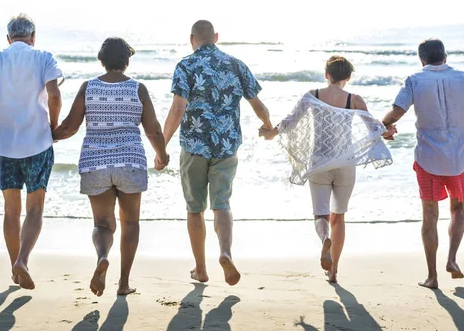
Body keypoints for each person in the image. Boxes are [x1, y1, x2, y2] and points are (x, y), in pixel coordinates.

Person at [260, 56, 394, 283]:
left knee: (320, 214)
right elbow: (377, 130)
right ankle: (333, 271)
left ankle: (324, 240)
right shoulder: (355, 100)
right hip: (346, 163)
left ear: (326, 75)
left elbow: (289, 122)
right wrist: (390, 130)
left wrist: (270, 133)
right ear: (348, 77)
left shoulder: (313, 96)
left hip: (320, 162)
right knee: (338, 217)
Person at [52, 37, 168, 296]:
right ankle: (124, 282)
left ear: (101, 60)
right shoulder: (137, 89)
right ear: (127, 62)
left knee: (103, 224)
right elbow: (153, 130)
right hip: (130, 161)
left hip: (95, 162)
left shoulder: (88, 87)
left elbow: (70, 127)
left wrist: (48, 136)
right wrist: (161, 154)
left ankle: (103, 256)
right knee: (131, 223)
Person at [162, 20, 273, 286]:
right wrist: (268, 126)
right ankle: (225, 252)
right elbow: (257, 104)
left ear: (192, 39)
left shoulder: (186, 66)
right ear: (216, 37)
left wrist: (161, 145)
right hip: (226, 146)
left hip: (194, 147)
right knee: (222, 204)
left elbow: (178, 108)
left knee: (195, 208)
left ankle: (200, 269)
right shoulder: (235, 64)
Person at [382, 38, 464, 289]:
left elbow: (396, 113)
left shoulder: (414, 80)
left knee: (430, 217)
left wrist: (384, 128)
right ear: (445, 57)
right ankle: (453, 259)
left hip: (427, 159)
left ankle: (432, 277)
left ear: (421, 59)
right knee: (458, 209)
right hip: (459, 158)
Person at [0, 14, 63, 290]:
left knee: (11, 210)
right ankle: (23, 260)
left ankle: (15, 268)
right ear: (33, 37)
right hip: (37, 143)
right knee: (35, 208)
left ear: (9, 38)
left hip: (4, 145)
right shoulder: (44, 57)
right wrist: (53, 125)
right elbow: (55, 95)